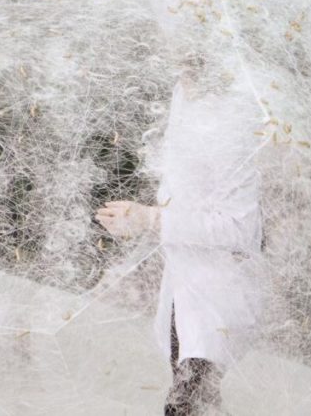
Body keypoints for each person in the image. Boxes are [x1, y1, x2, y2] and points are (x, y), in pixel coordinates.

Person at [96, 59, 264, 415]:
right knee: (195, 404)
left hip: (217, 297)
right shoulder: (183, 94)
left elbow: (240, 228)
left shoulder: (234, 118)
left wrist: (151, 219)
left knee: (185, 406)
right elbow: (181, 186)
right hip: (183, 288)